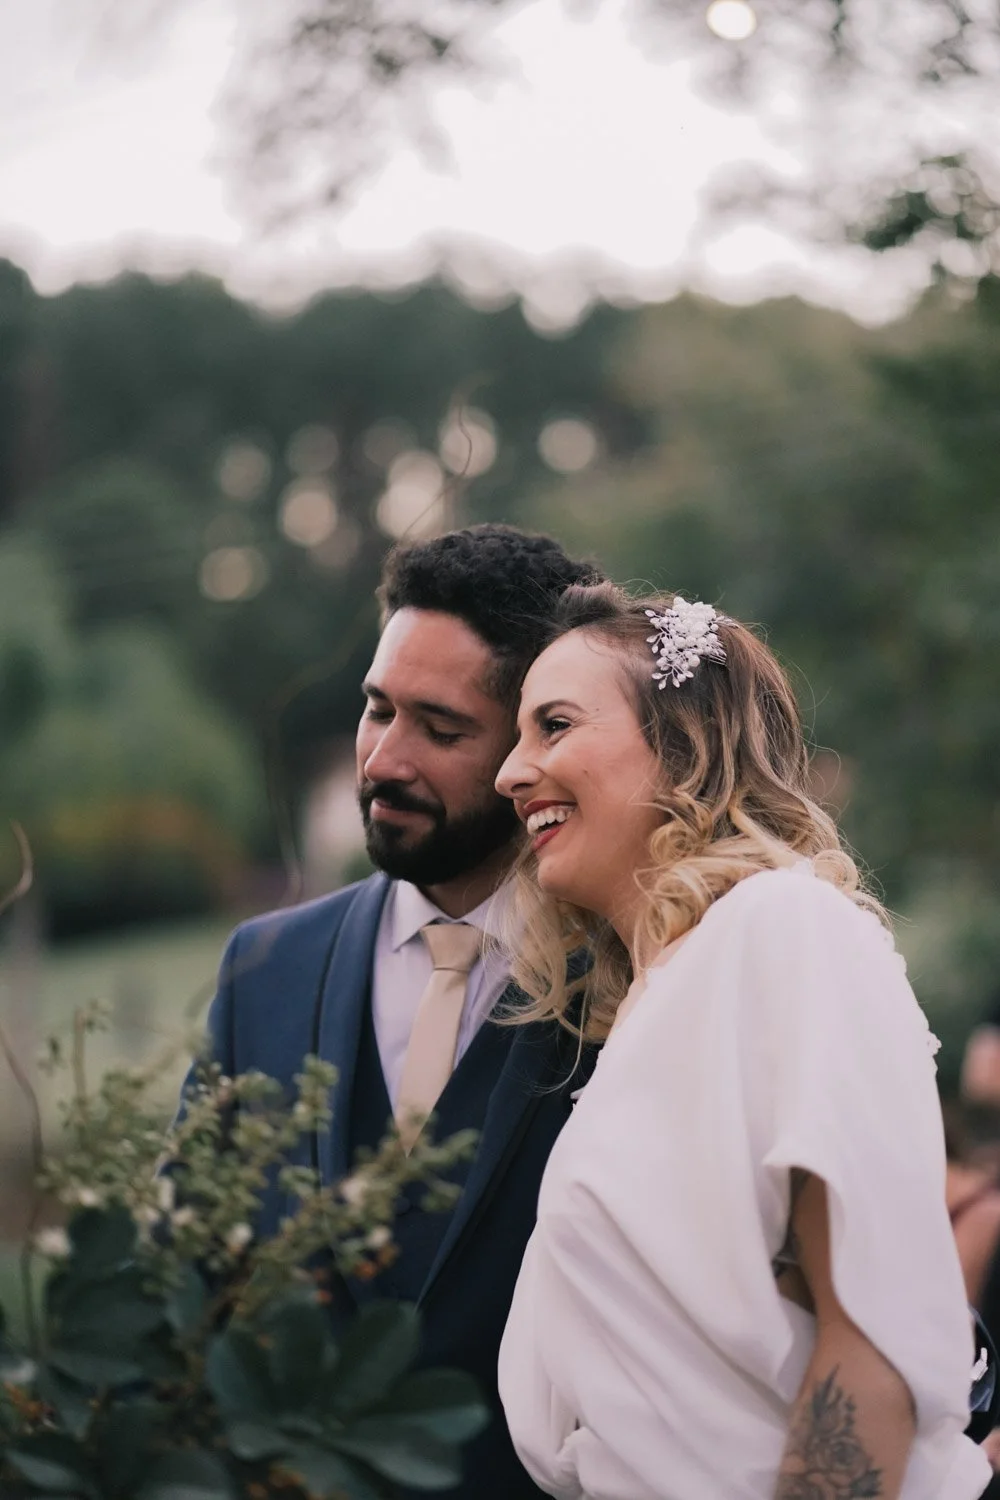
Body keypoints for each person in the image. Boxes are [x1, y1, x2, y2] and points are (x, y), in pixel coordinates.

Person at [493, 582, 990, 1500]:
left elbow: (869, 1337)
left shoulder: (784, 928)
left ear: (682, 742)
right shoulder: (647, 1007)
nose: (510, 773)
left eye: (553, 725)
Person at [189, 524, 604, 1500]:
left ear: (534, 743)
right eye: (377, 710)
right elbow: (189, 1274)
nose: (382, 760)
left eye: (440, 728)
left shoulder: (634, 981)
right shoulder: (261, 971)